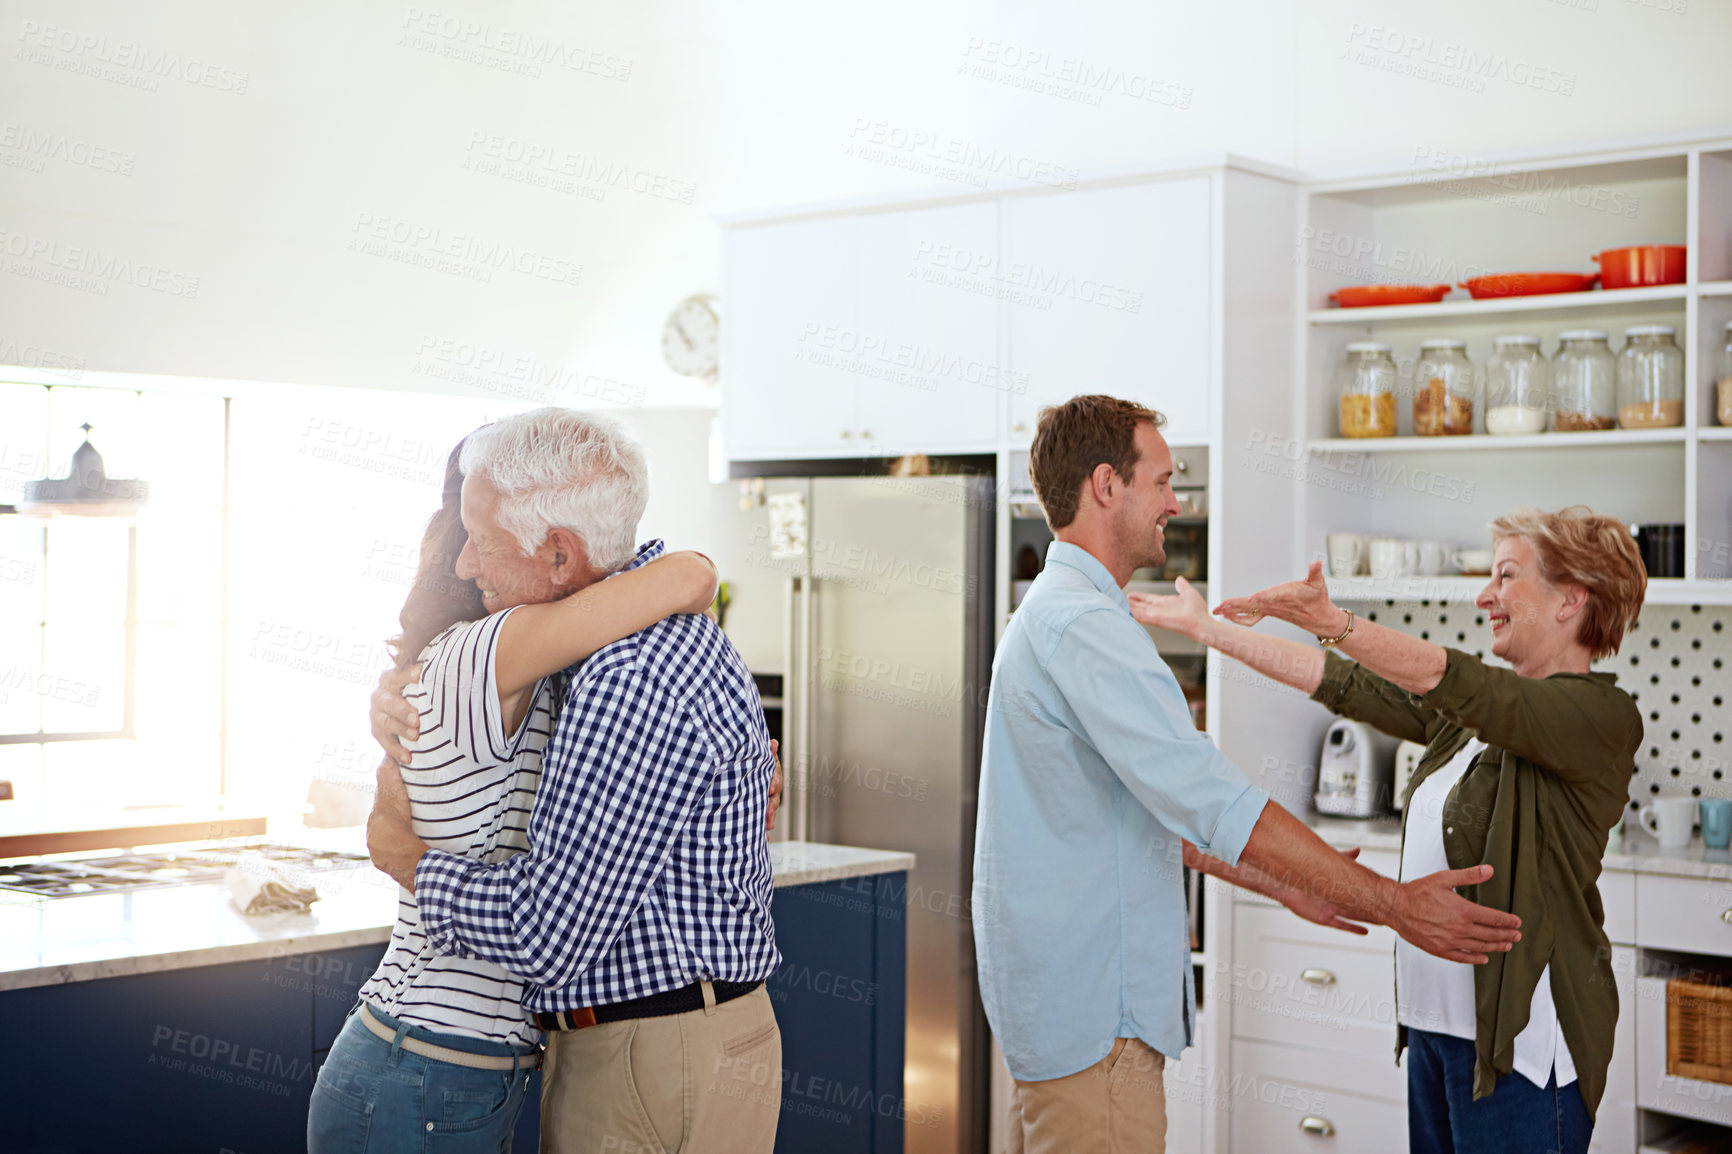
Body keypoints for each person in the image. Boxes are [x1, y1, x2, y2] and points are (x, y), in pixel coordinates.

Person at [974, 394, 1523, 1154]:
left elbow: (1147, 812)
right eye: (1163, 481)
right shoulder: (1085, 626)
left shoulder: (1059, 612)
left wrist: (1286, 881)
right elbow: (1212, 801)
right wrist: (1393, 904)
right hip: (1093, 1021)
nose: (1176, 501)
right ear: (1107, 485)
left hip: (1065, 1014)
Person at [1131, 505, 1645, 1154]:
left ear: (1572, 600)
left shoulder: (1600, 715)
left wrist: (1333, 622)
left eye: (1508, 576)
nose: (1486, 594)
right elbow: (1343, 683)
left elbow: (1459, 682)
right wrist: (1208, 630)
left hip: (1521, 1048)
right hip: (1434, 1030)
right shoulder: (1467, 723)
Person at [365, 408, 783, 1154]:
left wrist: (409, 863)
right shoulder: (639, 634)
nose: (467, 564)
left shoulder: (625, 674)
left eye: (484, 544)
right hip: (677, 1042)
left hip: (651, 1053)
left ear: (560, 555)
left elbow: (549, 931)